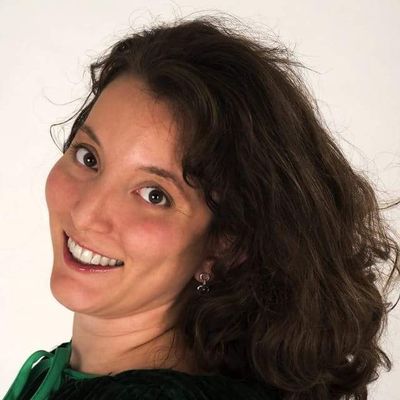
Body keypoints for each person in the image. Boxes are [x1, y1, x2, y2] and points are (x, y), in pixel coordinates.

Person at [4, 15, 399, 400]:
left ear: (224, 244)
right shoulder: (73, 376)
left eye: (154, 194)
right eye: (88, 157)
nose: (86, 212)